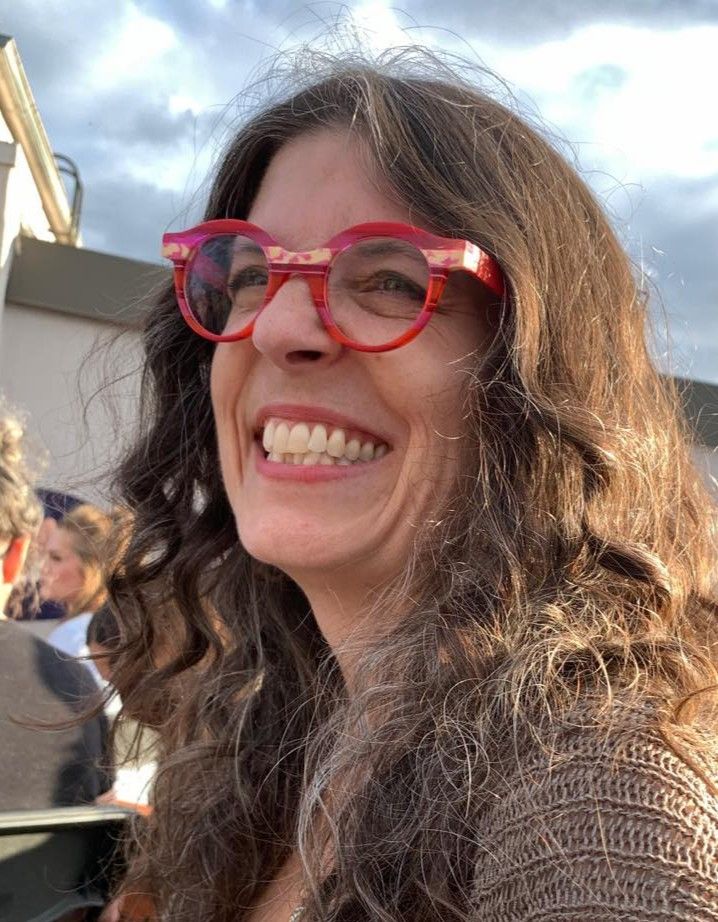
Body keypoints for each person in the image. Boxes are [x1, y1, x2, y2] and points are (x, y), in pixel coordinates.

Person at [107, 52, 718, 921]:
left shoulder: (601, 801)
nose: (276, 326)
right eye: (249, 276)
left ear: (538, 376)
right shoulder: (266, 733)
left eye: (391, 279)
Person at [0, 408, 112, 808]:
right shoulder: (75, 686)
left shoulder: (75, 656)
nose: (46, 569)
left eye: (58, 558)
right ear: (17, 555)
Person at [42, 503, 113, 682]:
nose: (44, 568)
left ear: (91, 568)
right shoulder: (84, 630)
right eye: (45, 556)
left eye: (56, 558)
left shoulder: (74, 635)